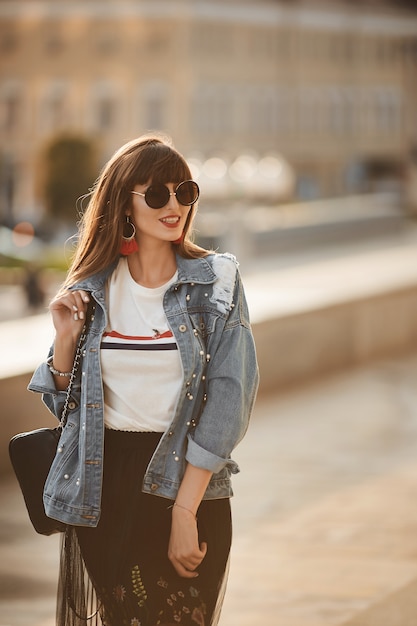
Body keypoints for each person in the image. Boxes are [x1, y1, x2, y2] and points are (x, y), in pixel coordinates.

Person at [28, 134, 259, 626]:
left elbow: (230, 398)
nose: (173, 205)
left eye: (184, 191)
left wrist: (183, 512)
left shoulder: (216, 281)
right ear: (125, 205)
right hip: (103, 489)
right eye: (156, 194)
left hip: (188, 484)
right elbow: (68, 412)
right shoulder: (91, 289)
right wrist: (65, 339)